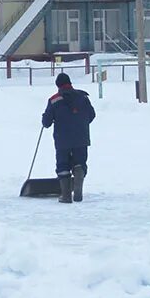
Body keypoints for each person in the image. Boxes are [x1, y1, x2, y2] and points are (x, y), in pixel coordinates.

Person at [41, 72, 96, 203]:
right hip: (81, 137)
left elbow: (47, 123)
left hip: (62, 139)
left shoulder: (54, 100)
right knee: (80, 163)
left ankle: (66, 195)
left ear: (58, 86)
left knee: (63, 165)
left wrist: (45, 118)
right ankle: (78, 187)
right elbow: (92, 115)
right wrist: (81, 123)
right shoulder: (83, 97)